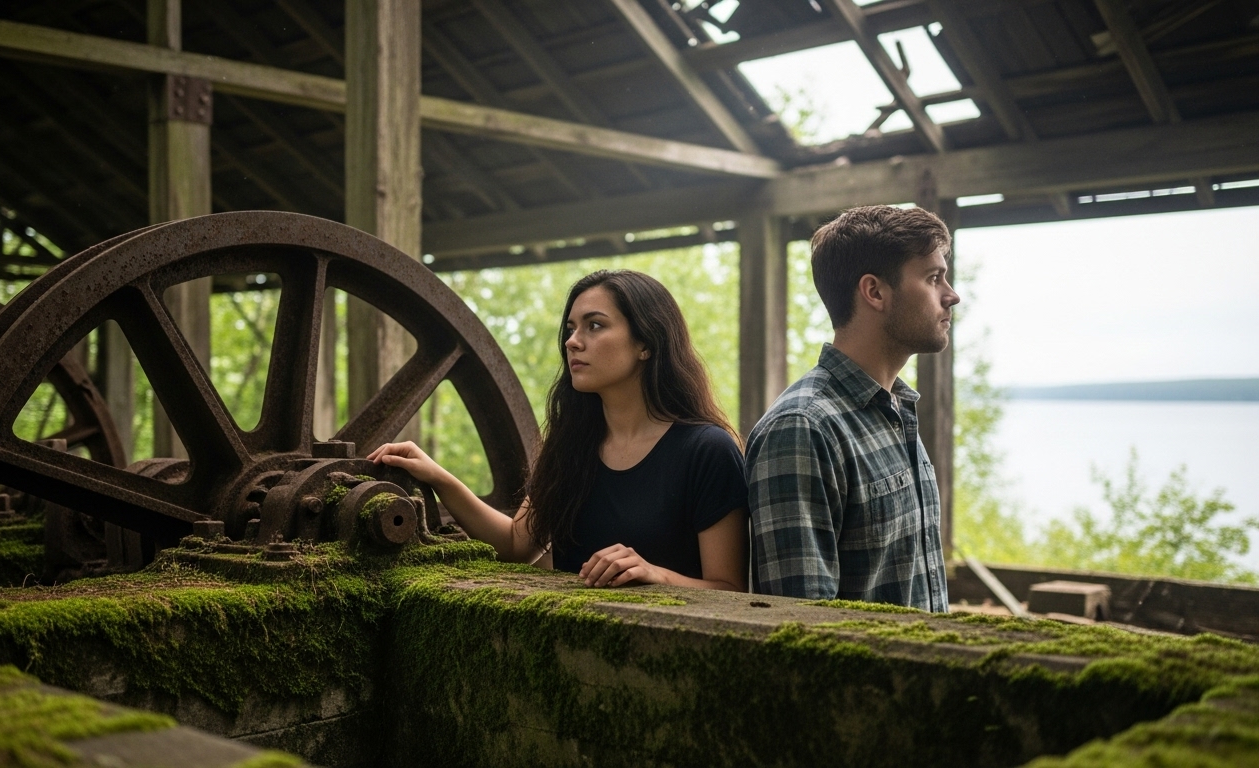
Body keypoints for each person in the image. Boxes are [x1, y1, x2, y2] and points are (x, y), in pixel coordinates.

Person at [370, 269, 748, 591]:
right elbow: (517, 545)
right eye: (570, 329)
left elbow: (731, 588)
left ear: (645, 344)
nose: (572, 341)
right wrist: (438, 478)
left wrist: (657, 575)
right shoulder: (571, 445)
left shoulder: (707, 450)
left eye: (594, 326)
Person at [746, 205, 958, 611]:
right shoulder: (802, 429)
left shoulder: (896, 410)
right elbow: (800, 627)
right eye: (933, 278)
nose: (952, 294)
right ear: (874, 292)